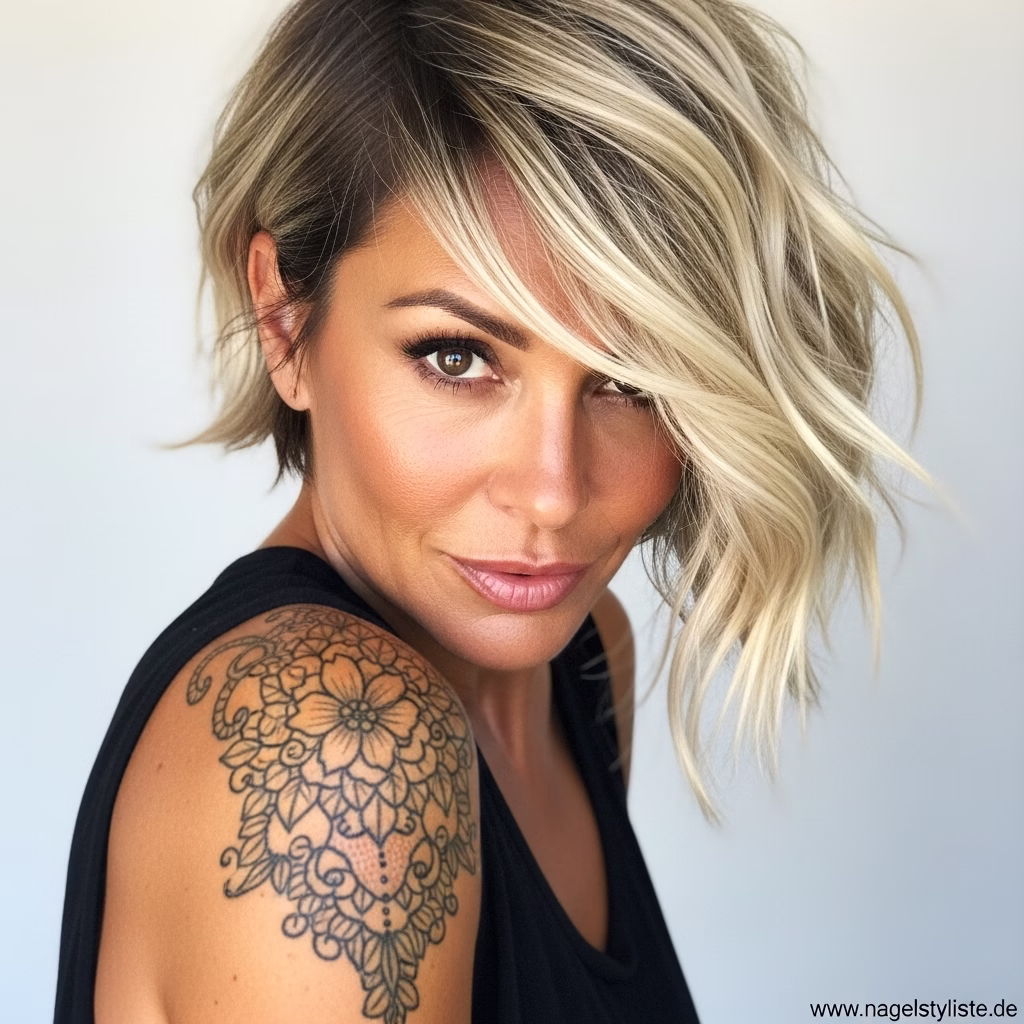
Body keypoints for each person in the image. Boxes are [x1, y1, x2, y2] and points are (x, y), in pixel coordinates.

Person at [55, 0, 924, 1021]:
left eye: (633, 377)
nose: (553, 491)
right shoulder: (343, 755)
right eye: (456, 357)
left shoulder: (579, 659)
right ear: (284, 319)